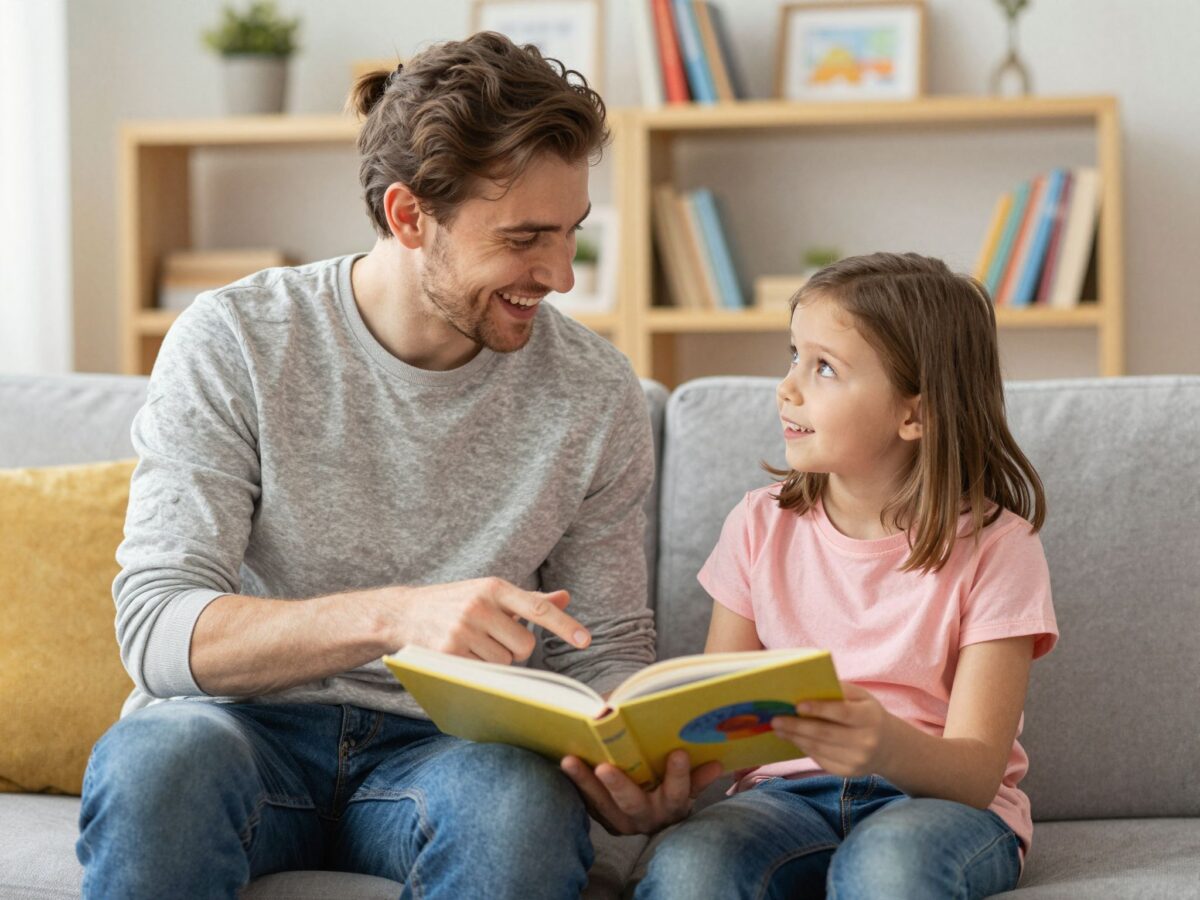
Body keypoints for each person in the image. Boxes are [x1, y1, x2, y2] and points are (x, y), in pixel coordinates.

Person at [76, 32, 667, 899]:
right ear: (406, 216)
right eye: (525, 237)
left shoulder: (593, 390)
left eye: (572, 234)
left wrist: (633, 757)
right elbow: (160, 631)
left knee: (520, 807)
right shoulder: (236, 338)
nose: (559, 275)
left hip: (454, 755)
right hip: (242, 731)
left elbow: (603, 649)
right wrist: (396, 615)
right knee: (156, 761)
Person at [570, 252, 1059, 899]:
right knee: (693, 868)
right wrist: (661, 777)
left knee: (888, 870)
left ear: (916, 413)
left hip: (934, 804)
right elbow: (710, 713)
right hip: (783, 796)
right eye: (793, 355)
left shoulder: (1001, 548)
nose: (789, 387)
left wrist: (883, 745)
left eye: (824, 367)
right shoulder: (757, 526)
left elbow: (975, 774)